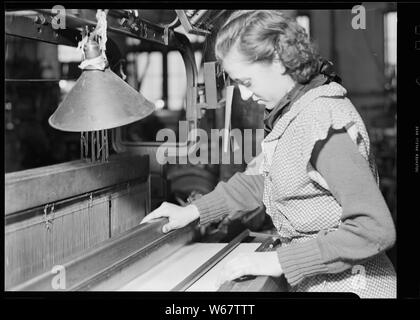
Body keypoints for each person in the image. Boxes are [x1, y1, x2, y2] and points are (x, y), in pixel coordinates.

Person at [141, 10, 396, 298]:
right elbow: (265, 181)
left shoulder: (322, 121)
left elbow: (374, 229)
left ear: (278, 61)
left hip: (355, 286)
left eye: (247, 82)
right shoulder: (295, 114)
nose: (246, 96)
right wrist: (193, 211)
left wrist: (276, 261)